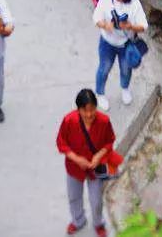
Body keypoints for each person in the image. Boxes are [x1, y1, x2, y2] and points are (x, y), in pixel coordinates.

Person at [56, 87, 121, 237]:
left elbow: (109, 142)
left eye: (92, 110)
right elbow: (61, 143)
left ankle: (98, 223)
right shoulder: (69, 121)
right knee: (74, 197)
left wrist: (98, 156)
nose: (89, 114)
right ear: (78, 109)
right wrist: (76, 158)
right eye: (85, 110)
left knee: (96, 200)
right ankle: (78, 221)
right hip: (74, 168)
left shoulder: (104, 121)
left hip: (95, 169)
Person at [93, 0, 148, 107]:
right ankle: (100, 93)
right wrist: (105, 25)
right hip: (107, 43)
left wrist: (130, 26)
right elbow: (96, 18)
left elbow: (144, 26)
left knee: (126, 69)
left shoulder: (134, 4)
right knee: (104, 69)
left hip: (125, 45)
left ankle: (125, 88)